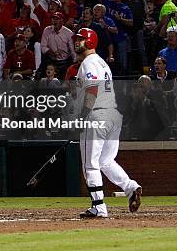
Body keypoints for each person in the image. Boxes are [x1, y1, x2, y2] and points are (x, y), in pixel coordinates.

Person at [73, 27, 142, 218]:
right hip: (113, 115)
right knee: (105, 161)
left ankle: (99, 207)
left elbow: (92, 90)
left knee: (91, 165)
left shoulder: (88, 62)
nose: (76, 42)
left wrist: (83, 116)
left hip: (97, 116)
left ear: (89, 42)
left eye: (79, 39)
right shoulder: (102, 62)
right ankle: (131, 187)